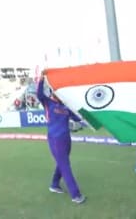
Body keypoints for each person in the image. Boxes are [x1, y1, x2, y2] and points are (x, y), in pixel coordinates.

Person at [37, 71, 86, 204]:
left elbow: (78, 117)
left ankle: (54, 184)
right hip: (55, 139)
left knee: (62, 162)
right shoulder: (47, 102)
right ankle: (76, 195)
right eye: (56, 92)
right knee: (65, 166)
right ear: (53, 93)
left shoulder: (65, 107)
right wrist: (41, 79)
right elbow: (39, 94)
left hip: (66, 139)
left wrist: (88, 116)